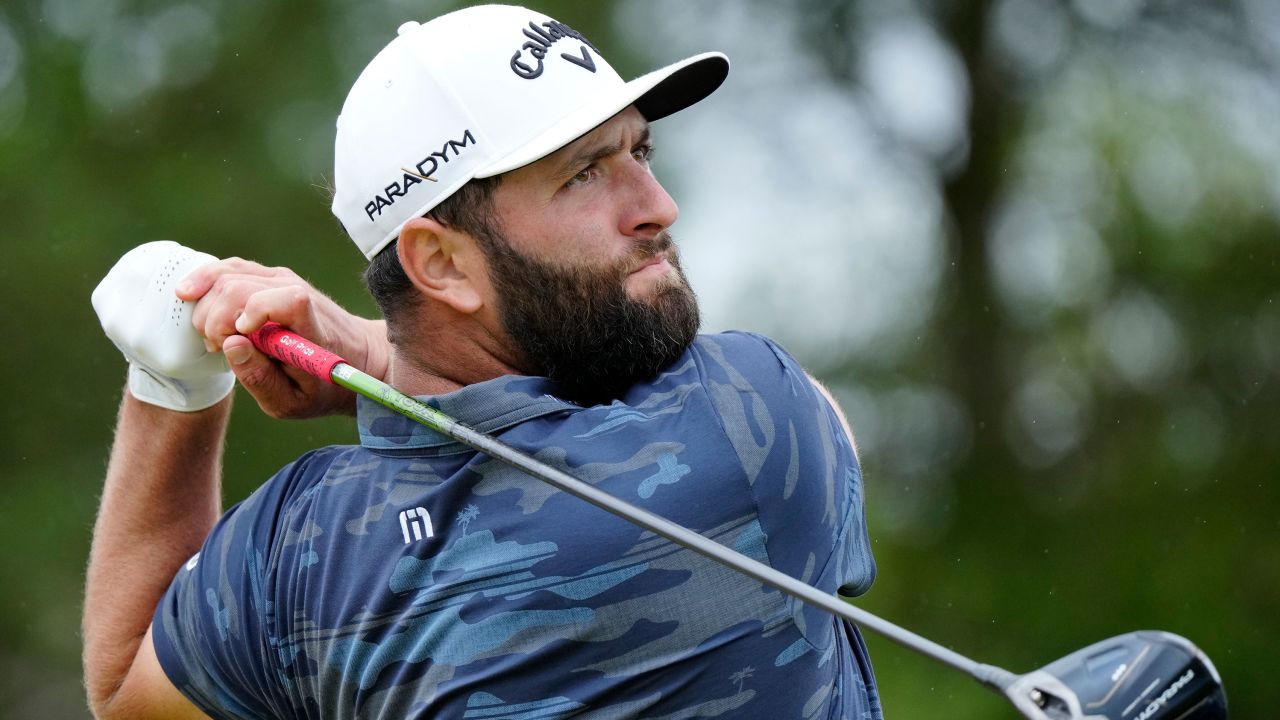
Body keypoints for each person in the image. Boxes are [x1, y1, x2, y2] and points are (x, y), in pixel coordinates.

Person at [83, 5, 881, 719]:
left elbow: (124, 692)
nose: (656, 206)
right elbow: (825, 416)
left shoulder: (300, 552)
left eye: (641, 151)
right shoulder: (748, 420)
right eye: (585, 174)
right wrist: (366, 355)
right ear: (441, 266)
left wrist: (174, 383)